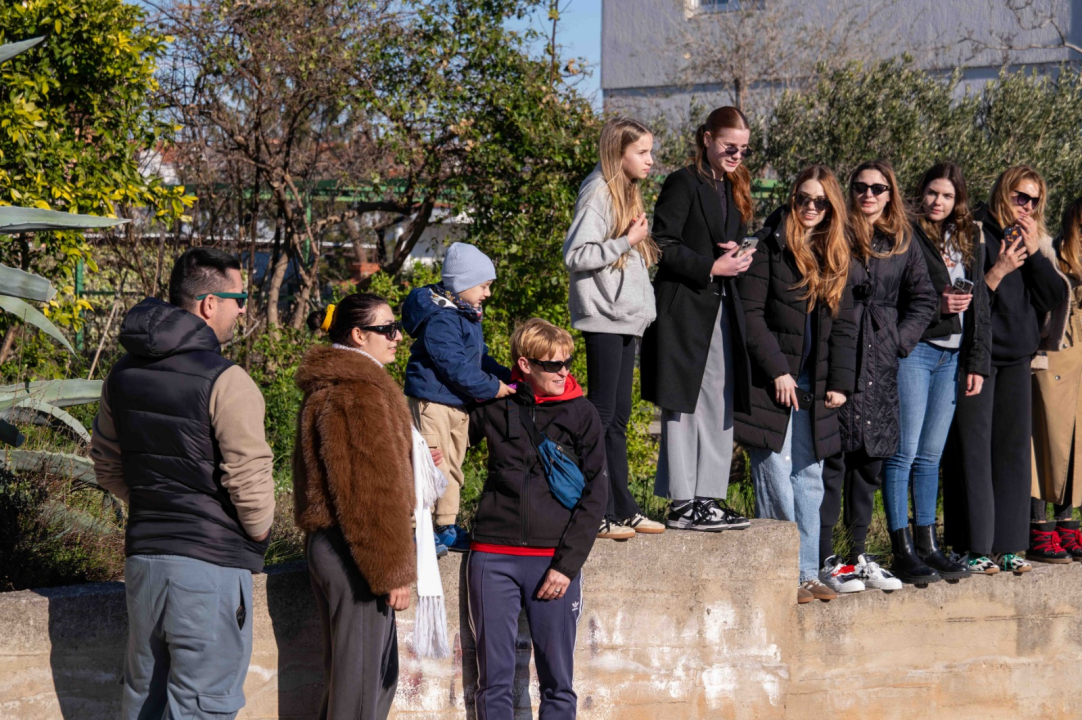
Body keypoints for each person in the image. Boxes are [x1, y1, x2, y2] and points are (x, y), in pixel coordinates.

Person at [89, 247, 274, 720]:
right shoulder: (227, 380)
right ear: (210, 304)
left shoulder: (121, 373)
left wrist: (155, 505)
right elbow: (250, 483)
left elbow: (106, 466)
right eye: (238, 298)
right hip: (210, 566)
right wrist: (256, 534)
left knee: (142, 701)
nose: (242, 309)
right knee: (203, 705)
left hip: (144, 563)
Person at [466, 318, 607, 720]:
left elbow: (597, 494)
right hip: (493, 558)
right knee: (493, 681)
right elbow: (451, 441)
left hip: (553, 562)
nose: (565, 372)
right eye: (554, 365)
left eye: (568, 362)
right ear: (525, 365)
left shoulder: (582, 413)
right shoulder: (495, 405)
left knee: (558, 682)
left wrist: (566, 566)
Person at [736, 165, 857, 604]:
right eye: (803, 198)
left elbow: (844, 328)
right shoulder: (770, 247)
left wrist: (840, 382)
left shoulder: (836, 254)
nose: (810, 207)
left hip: (816, 381)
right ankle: (782, 573)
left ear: (831, 208)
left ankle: (806, 573)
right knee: (774, 470)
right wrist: (776, 371)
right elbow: (750, 316)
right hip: (772, 379)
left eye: (820, 201)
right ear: (792, 200)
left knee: (810, 476)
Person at [294, 293, 417, 720]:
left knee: (353, 680)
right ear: (359, 335)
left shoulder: (334, 387)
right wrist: (391, 571)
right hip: (358, 551)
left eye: (396, 326)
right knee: (363, 690)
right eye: (386, 329)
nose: (397, 336)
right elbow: (369, 494)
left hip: (338, 544)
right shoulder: (358, 393)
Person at [819, 160, 937, 591]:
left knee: (870, 462)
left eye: (878, 188)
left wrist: (898, 340)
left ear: (890, 194)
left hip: (882, 363)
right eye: (861, 187)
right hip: (840, 354)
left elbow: (925, 299)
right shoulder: (835, 232)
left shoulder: (902, 242)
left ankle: (859, 555)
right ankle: (827, 557)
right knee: (835, 460)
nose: (868, 195)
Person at [945, 166, 1068, 574]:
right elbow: (967, 293)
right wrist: (997, 271)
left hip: (1018, 357)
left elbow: (1053, 295)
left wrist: (1033, 253)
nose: (1027, 206)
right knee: (974, 452)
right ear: (1003, 192)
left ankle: (1011, 545)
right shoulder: (977, 232)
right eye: (1020, 196)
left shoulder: (1035, 241)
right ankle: (975, 546)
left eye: (1034, 200)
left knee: (1013, 454)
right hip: (978, 357)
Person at [640, 105, 755, 532]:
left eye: (743, 149)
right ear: (706, 138)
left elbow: (718, 243)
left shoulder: (734, 186)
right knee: (684, 405)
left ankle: (708, 498)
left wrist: (736, 253)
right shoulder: (681, 182)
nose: (737, 156)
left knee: (720, 402)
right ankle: (683, 503)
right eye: (730, 146)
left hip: (723, 307)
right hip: (684, 309)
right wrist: (710, 266)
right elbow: (662, 243)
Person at [881, 163, 991, 582]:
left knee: (930, 457)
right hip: (917, 352)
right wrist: (937, 307)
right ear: (920, 193)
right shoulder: (906, 234)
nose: (937, 202)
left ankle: (928, 545)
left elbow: (980, 302)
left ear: (957, 199)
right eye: (931, 193)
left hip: (953, 357)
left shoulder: (967, 238)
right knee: (904, 452)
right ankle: (901, 548)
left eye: (946, 196)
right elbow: (895, 299)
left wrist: (977, 361)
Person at [563, 116, 664, 540]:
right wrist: (626, 241)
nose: (650, 160)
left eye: (650, 151)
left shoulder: (625, 191)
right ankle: (593, 511)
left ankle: (623, 507)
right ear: (617, 152)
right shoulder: (598, 190)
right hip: (603, 317)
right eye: (642, 152)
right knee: (601, 416)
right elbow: (576, 254)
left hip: (625, 318)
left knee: (618, 418)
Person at [403, 242, 513, 553]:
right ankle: (421, 529)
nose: (488, 294)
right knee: (432, 465)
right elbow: (454, 365)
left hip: (453, 403)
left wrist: (508, 376)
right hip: (433, 404)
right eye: (484, 286)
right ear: (462, 284)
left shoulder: (466, 314)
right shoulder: (443, 319)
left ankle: (445, 525)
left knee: (453, 465)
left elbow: (478, 359)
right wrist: (491, 387)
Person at [1029, 197, 1081, 562]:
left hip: (1080, 356)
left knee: (1076, 443)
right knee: (1045, 441)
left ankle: (1066, 523)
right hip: (1054, 351)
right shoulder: (1051, 252)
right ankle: (1038, 528)